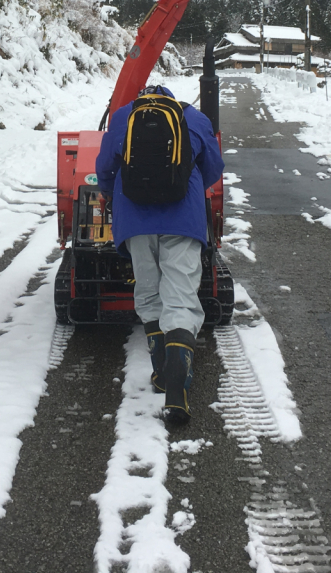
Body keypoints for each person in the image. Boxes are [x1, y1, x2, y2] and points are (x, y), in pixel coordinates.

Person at [96, 84, 224, 428]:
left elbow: (104, 166)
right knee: (179, 294)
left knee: (149, 290)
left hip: (134, 217)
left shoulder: (123, 117)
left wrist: (112, 193)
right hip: (183, 217)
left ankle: (161, 372)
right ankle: (177, 386)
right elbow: (214, 166)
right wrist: (186, 181)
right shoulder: (193, 118)